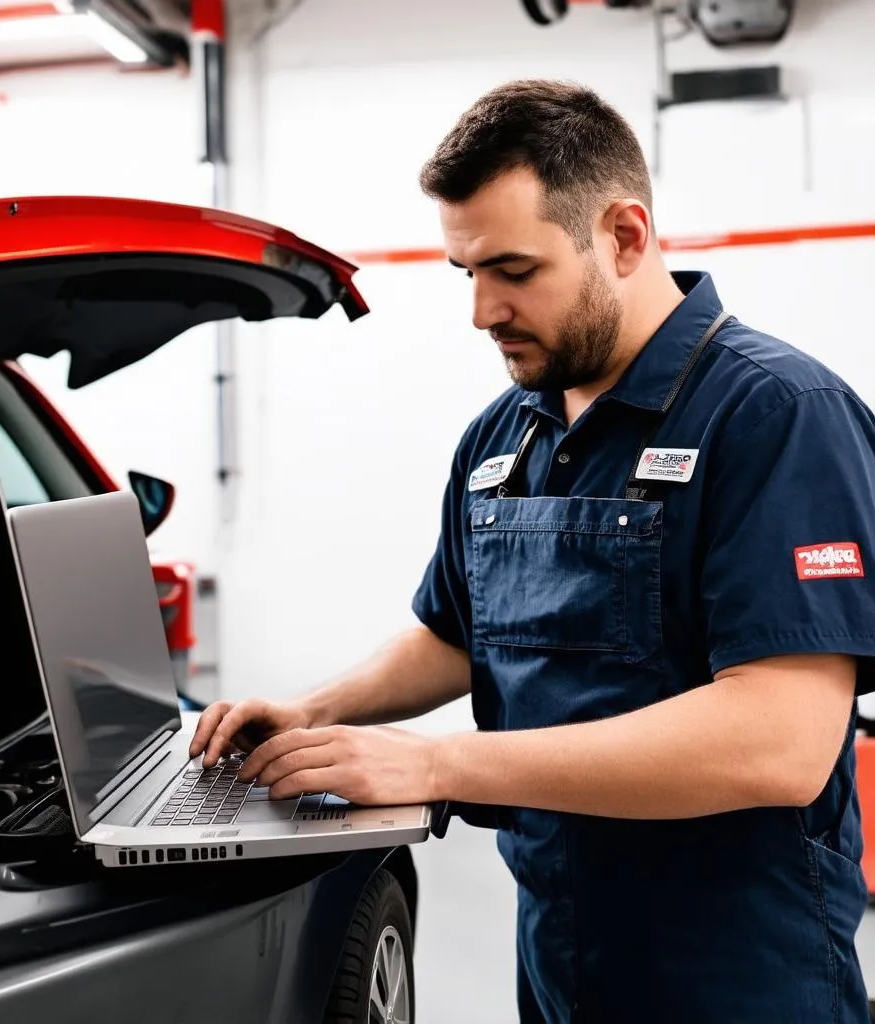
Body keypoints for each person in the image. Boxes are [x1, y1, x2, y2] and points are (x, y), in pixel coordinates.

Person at [190, 79, 875, 1023]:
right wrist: (311, 708)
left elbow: (780, 743)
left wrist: (436, 767)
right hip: (558, 951)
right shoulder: (504, 438)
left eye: (513, 269)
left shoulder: (777, 417)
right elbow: (459, 633)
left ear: (625, 237)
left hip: (738, 969)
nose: (482, 310)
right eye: (464, 272)